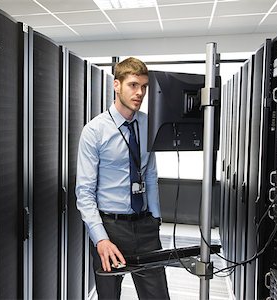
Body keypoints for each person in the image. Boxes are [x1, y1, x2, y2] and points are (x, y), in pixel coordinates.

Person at [75, 57, 170, 299]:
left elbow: (150, 173)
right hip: (110, 229)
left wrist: (155, 219)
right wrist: (100, 239)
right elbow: (84, 193)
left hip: (145, 227)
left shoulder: (148, 124)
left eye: (144, 87)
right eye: (133, 85)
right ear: (116, 85)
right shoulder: (94, 131)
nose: (140, 93)